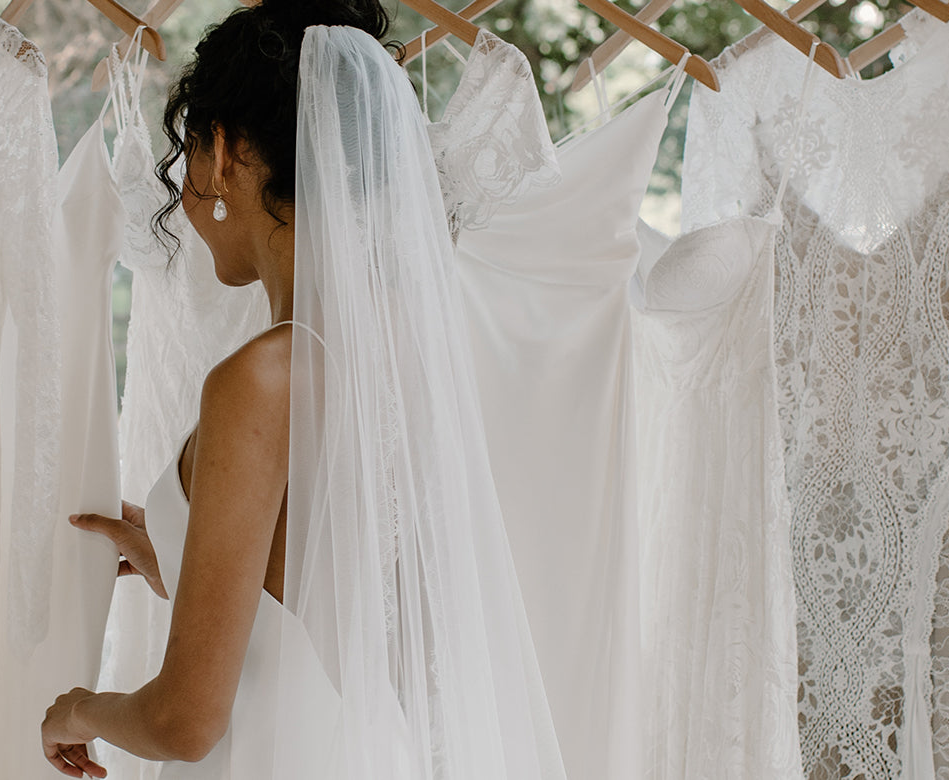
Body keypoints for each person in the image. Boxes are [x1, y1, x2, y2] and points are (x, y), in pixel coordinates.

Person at [41, 2, 567, 778]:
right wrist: (177, 553)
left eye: (186, 154)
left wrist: (77, 708)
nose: (184, 197)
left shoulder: (260, 379)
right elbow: (330, 586)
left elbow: (185, 722)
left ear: (222, 153)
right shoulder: (400, 357)